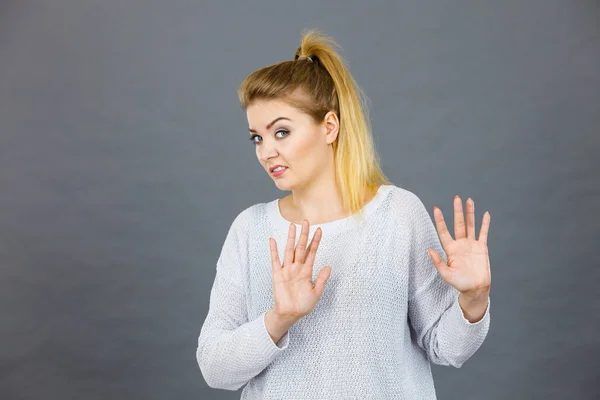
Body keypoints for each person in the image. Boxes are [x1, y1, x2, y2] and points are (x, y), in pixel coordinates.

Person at [196, 29, 492, 399]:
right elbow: (214, 367)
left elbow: (445, 348)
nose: (266, 151)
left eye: (281, 132)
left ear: (330, 127)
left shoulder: (397, 215)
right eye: (257, 137)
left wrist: (474, 300)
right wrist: (279, 318)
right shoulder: (251, 230)